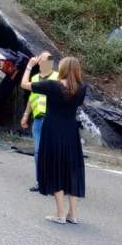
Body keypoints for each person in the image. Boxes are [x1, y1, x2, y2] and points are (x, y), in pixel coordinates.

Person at [21, 55, 87, 225]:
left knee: (55, 168)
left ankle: (60, 214)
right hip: (71, 132)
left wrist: (29, 67)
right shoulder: (82, 89)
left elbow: (24, 85)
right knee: (71, 169)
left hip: (52, 131)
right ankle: (73, 214)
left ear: (63, 69)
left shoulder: (52, 86)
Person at [20, 51, 58, 192]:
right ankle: (40, 181)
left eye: (45, 59)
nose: (41, 61)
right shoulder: (35, 78)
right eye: (42, 59)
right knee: (38, 151)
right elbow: (32, 97)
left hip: (53, 120)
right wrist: (26, 114)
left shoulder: (57, 77)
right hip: (38, 120)